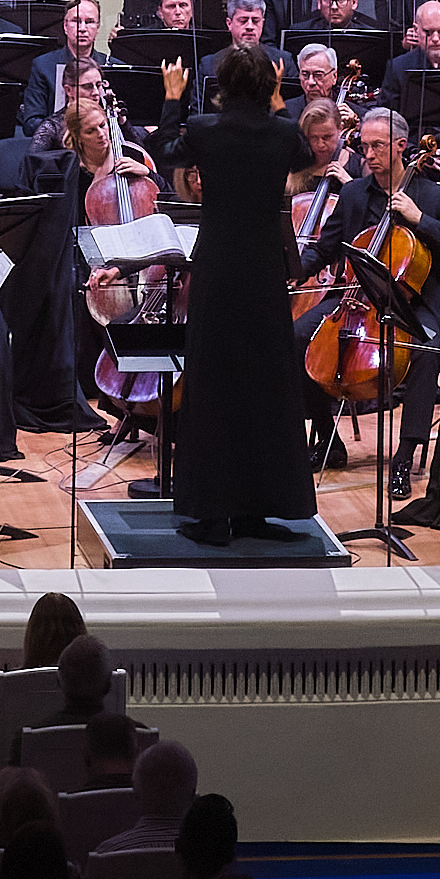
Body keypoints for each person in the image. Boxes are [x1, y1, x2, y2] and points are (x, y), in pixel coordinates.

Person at [164, 45, 317, 547]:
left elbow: (167, 149)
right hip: (265, 271)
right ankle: (260, 509)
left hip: (218, 270)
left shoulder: (207, 129)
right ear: (267, 84)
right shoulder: (282, 132)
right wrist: (277, 96)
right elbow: (307, 156)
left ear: (223, 84)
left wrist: (172, 98)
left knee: (213, 385)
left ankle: (211, 514)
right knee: (264, 386)